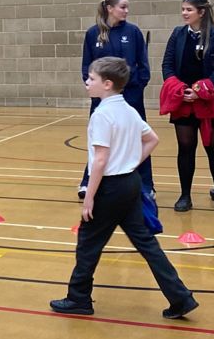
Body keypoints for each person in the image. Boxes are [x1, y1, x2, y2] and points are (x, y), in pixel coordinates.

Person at [50, 57, 199, 319]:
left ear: (107, 84)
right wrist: (131, 161)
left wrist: (90, 197)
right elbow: (152, 139)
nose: (87, 81)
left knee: (88, 242)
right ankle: (181, 297)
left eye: (92, 78)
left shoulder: (102, 115)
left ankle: (79, 298)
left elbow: (100, 160)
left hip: (109, 187)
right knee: (147, 243)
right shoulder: (130, 111)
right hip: (131, 183)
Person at [160, 0, 214, 213]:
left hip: (210, 100)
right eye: (183, 9)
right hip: (183, 101)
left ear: (201, 12)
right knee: (185, 148)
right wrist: (180, 90)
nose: (184, 13)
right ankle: (185, 195)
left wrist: (201, 91)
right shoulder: (177, 34)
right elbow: (167, 65)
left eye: (189, 10)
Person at [78, 0, 153, 199]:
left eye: (127, 7)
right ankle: (89, 180)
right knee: (99, 139)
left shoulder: (133, 32)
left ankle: (146, 183)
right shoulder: (94, 34)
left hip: (131, 95)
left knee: (138, 137)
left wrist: (138, 86)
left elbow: (143, 64)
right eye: (123, 7)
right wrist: (93, 87)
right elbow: (87, 65)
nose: (126, 11)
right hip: (103, 98)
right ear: (110, 8)